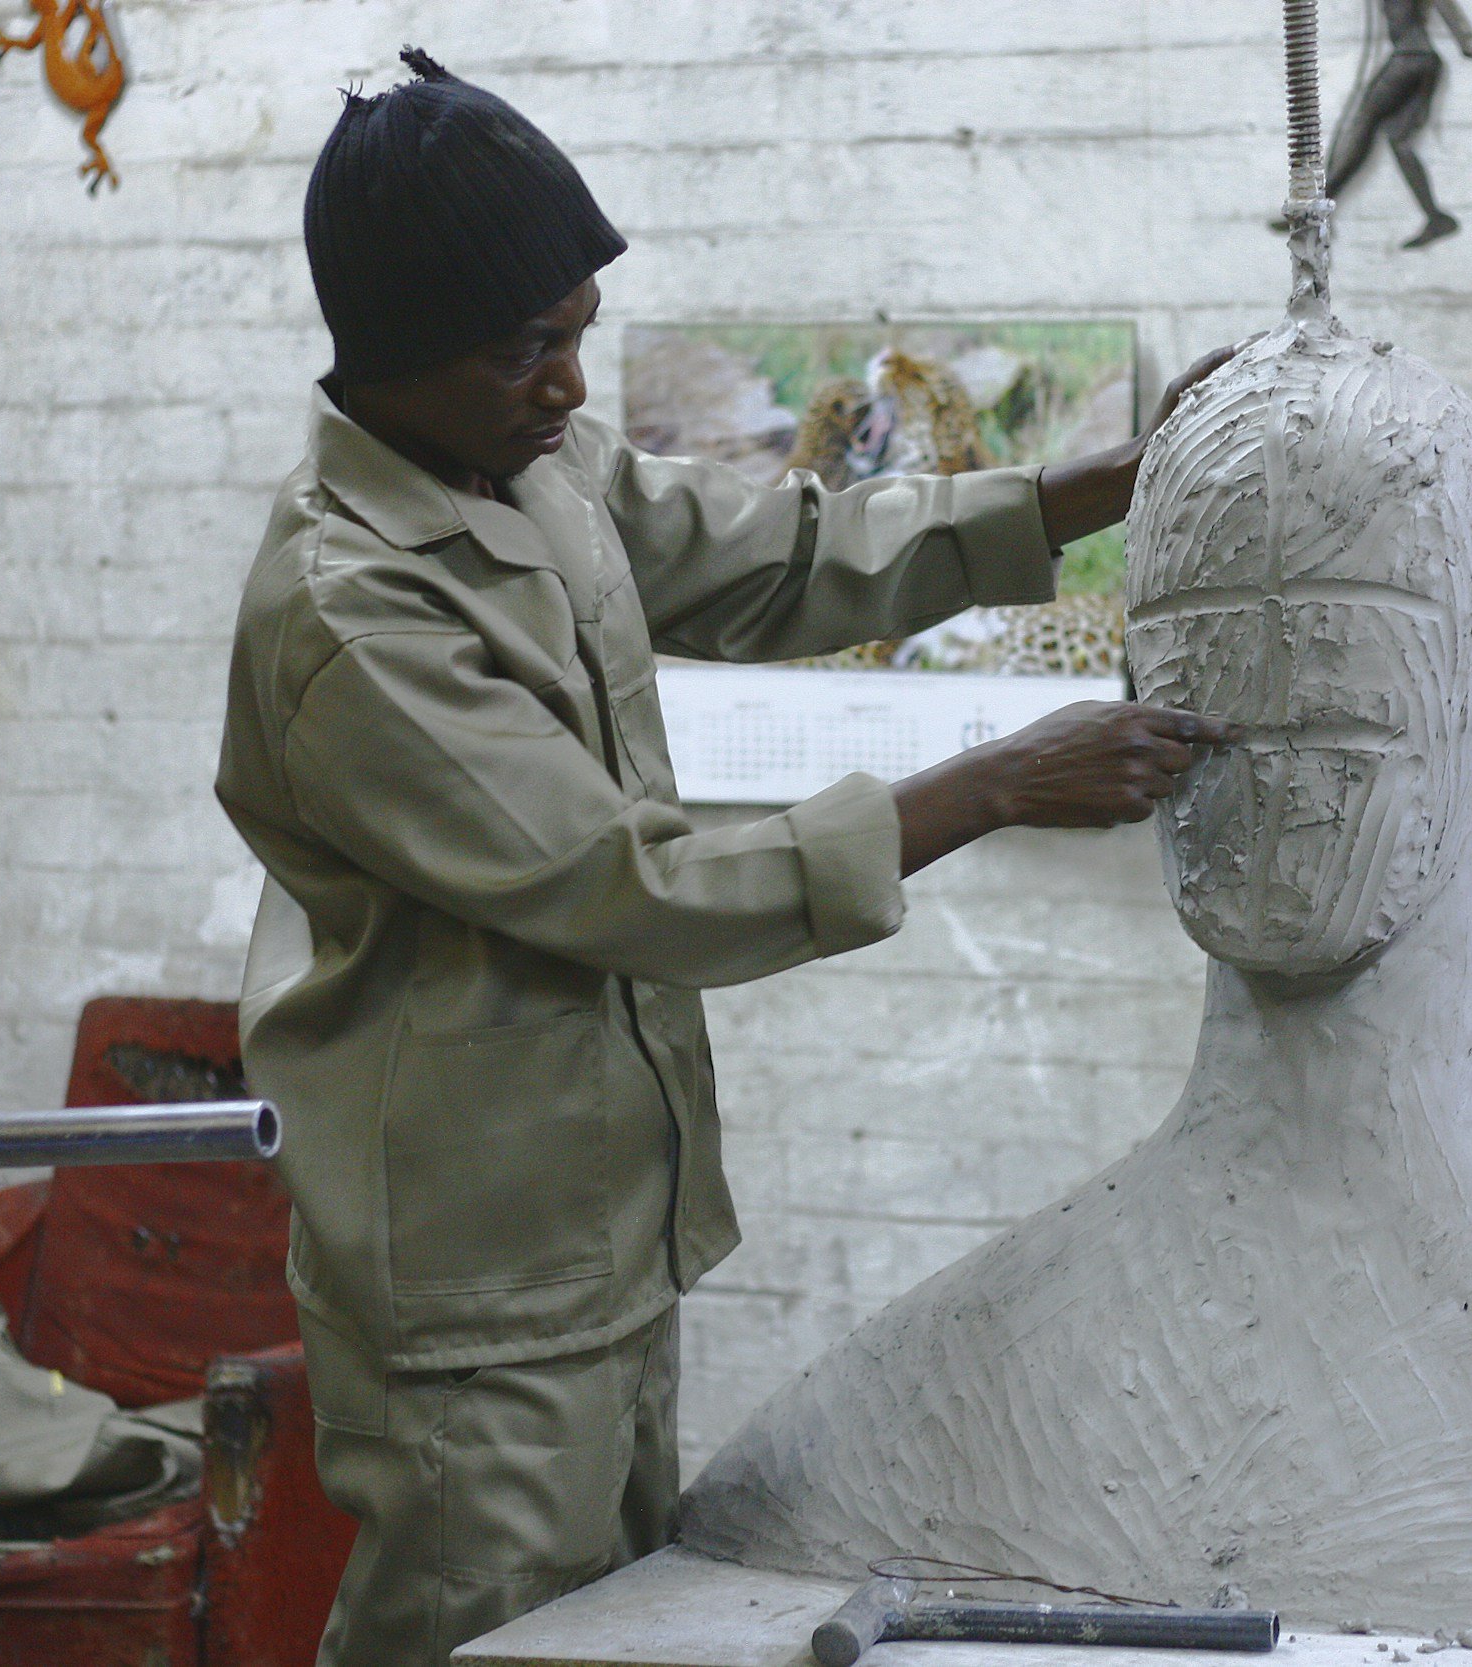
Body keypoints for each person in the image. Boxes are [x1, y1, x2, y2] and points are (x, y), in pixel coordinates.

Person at [213, 48, 1234, 1667]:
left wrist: (1087, 492)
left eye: (578, 339)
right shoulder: (353, 612)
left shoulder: (538, 476)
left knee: (604, 1634)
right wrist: (989, 787)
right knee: (478, 1635)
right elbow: (630, 882)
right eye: (522, 351)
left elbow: (785, 555)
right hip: (477, 1277)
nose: (565, 387)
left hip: (607, 1221)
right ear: (395, 354)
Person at [1322, 0, 1472, 248]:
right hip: (1425, 63)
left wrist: (1468, 44)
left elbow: (1445, 6)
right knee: (1400, 141)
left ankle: (1322, 204)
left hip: (1408, 59)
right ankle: (1435, 217)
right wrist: (1467, 45)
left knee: (1364, 122)